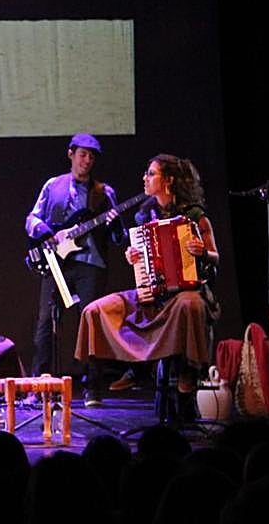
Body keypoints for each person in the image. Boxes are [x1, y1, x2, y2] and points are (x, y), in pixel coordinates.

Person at [75, 154, 219, 412]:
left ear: (169, 180)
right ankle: (130, 368)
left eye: (151, 174)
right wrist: (135, 256)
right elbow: (145, 260)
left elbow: (215, 257)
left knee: (189, 305)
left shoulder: (194, 215)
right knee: (95, 311)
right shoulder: (146, 216)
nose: (145, 178)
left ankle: (186, 382)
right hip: (154, 294)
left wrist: (202, 252)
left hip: (186, 292)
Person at [24, 133, 124, 405]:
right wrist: (45, 232)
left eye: (92, 157)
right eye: (82, 154)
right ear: (71, 154)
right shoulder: (52, 185)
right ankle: (39, 384)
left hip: (91, 264)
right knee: (45, 322)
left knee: (90, 323)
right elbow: (32, 218)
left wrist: (115, 224)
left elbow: (119, 238)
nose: (87, 160)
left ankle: (93, 386)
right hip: (57, 262)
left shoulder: (105, 192)